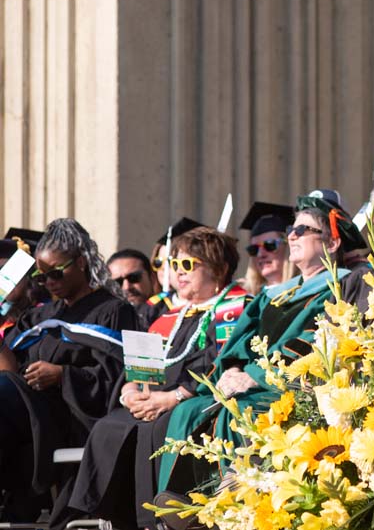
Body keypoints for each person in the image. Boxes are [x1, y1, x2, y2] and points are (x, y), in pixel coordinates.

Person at [157, 190, 368, 493]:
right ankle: (179, 505)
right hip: (251, 381)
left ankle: (228, 503)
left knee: (239, 410)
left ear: (332, 242)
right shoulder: (274, 294)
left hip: (295, 388)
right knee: (188, 411)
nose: (292, 236)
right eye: (290, 230)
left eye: (302, 230)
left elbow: (318, 342)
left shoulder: (345, 284)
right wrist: (231, 370)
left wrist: (253, 377)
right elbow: (239, 342)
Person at [64, 228, 249, 530]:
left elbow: (225, 366)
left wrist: (172, 397)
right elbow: (137, 371)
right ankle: (113, 518)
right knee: (111, 425)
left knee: (158, 427)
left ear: (218, 269)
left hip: (198, 403)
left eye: (188, 265)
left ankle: (154, 520)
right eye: (175, 265)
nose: (178, 272)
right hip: (155, 400)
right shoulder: (167, 316)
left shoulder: (235, 310)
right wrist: (130, 392)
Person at [0, 219, 140, 523]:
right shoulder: (40, 316)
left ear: (81, 262)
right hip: (26, 414)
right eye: (41, 274)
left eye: (56, 272)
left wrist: (63, 375)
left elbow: (119, 378)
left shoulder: (113, 311)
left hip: (70, 415)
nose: (48, 281)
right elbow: (9, 371)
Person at [237, 202, 295, 294]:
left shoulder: (303, 293)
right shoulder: (245, 298)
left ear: (288, 246)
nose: (260, 254)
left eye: (269, 245)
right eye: (254, 249)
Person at [107, 249, 161, 323]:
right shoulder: (105, 320)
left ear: (152, 277)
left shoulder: (169, 313)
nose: (126, 287)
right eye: (118, 282)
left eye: (134, 278)